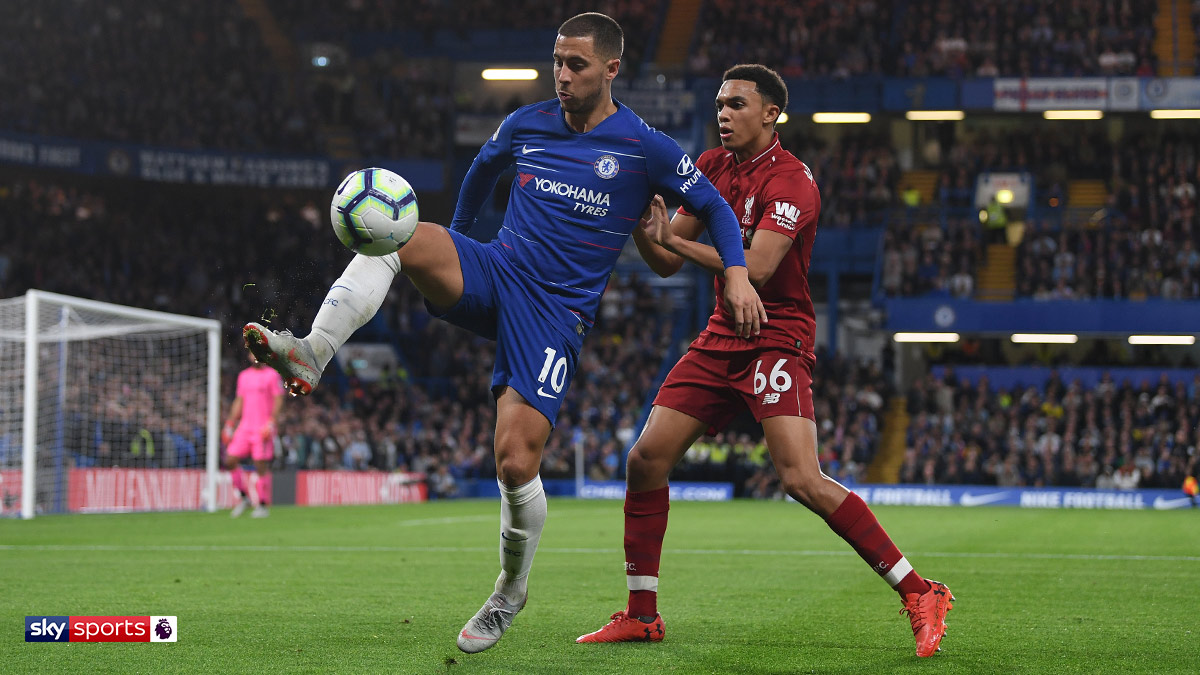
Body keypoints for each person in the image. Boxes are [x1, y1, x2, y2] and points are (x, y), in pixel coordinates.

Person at [242, 12, 764, 654]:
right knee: (397, 235)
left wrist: (736, 274)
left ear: (611, 69)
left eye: (576, 65)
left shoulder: (644, 146)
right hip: (498, 269)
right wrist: (460, 234)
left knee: (515, 461)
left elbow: (712, 206)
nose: (563, 75)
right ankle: (312, 352)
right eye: (558, 62)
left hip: (555, 314)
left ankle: (510, 592)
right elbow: (483, 170)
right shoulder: (526, 123)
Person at [575, 64, 954, 658]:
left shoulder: (793, 183)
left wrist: (673, 241)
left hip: (777, 338)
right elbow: (667, 261)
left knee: (800, 479)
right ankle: (642, 615)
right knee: (645, 459)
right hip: (722, 336)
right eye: (720, 103)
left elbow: (758, 268)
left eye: (736, 104)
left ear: (771, 113)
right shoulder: (710, 167)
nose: (722, 113)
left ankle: (921, 590)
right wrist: (650, 232)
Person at [222, 353, 284, 518]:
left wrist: (271, 422)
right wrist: (230, 424)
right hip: (244, 427)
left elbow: (278, 399)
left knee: (260, 465)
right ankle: (244, 498)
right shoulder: (244, 376)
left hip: (262, 427)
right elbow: (239, 400)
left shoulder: (272, 375)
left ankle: (262, 505)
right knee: (230, 460)